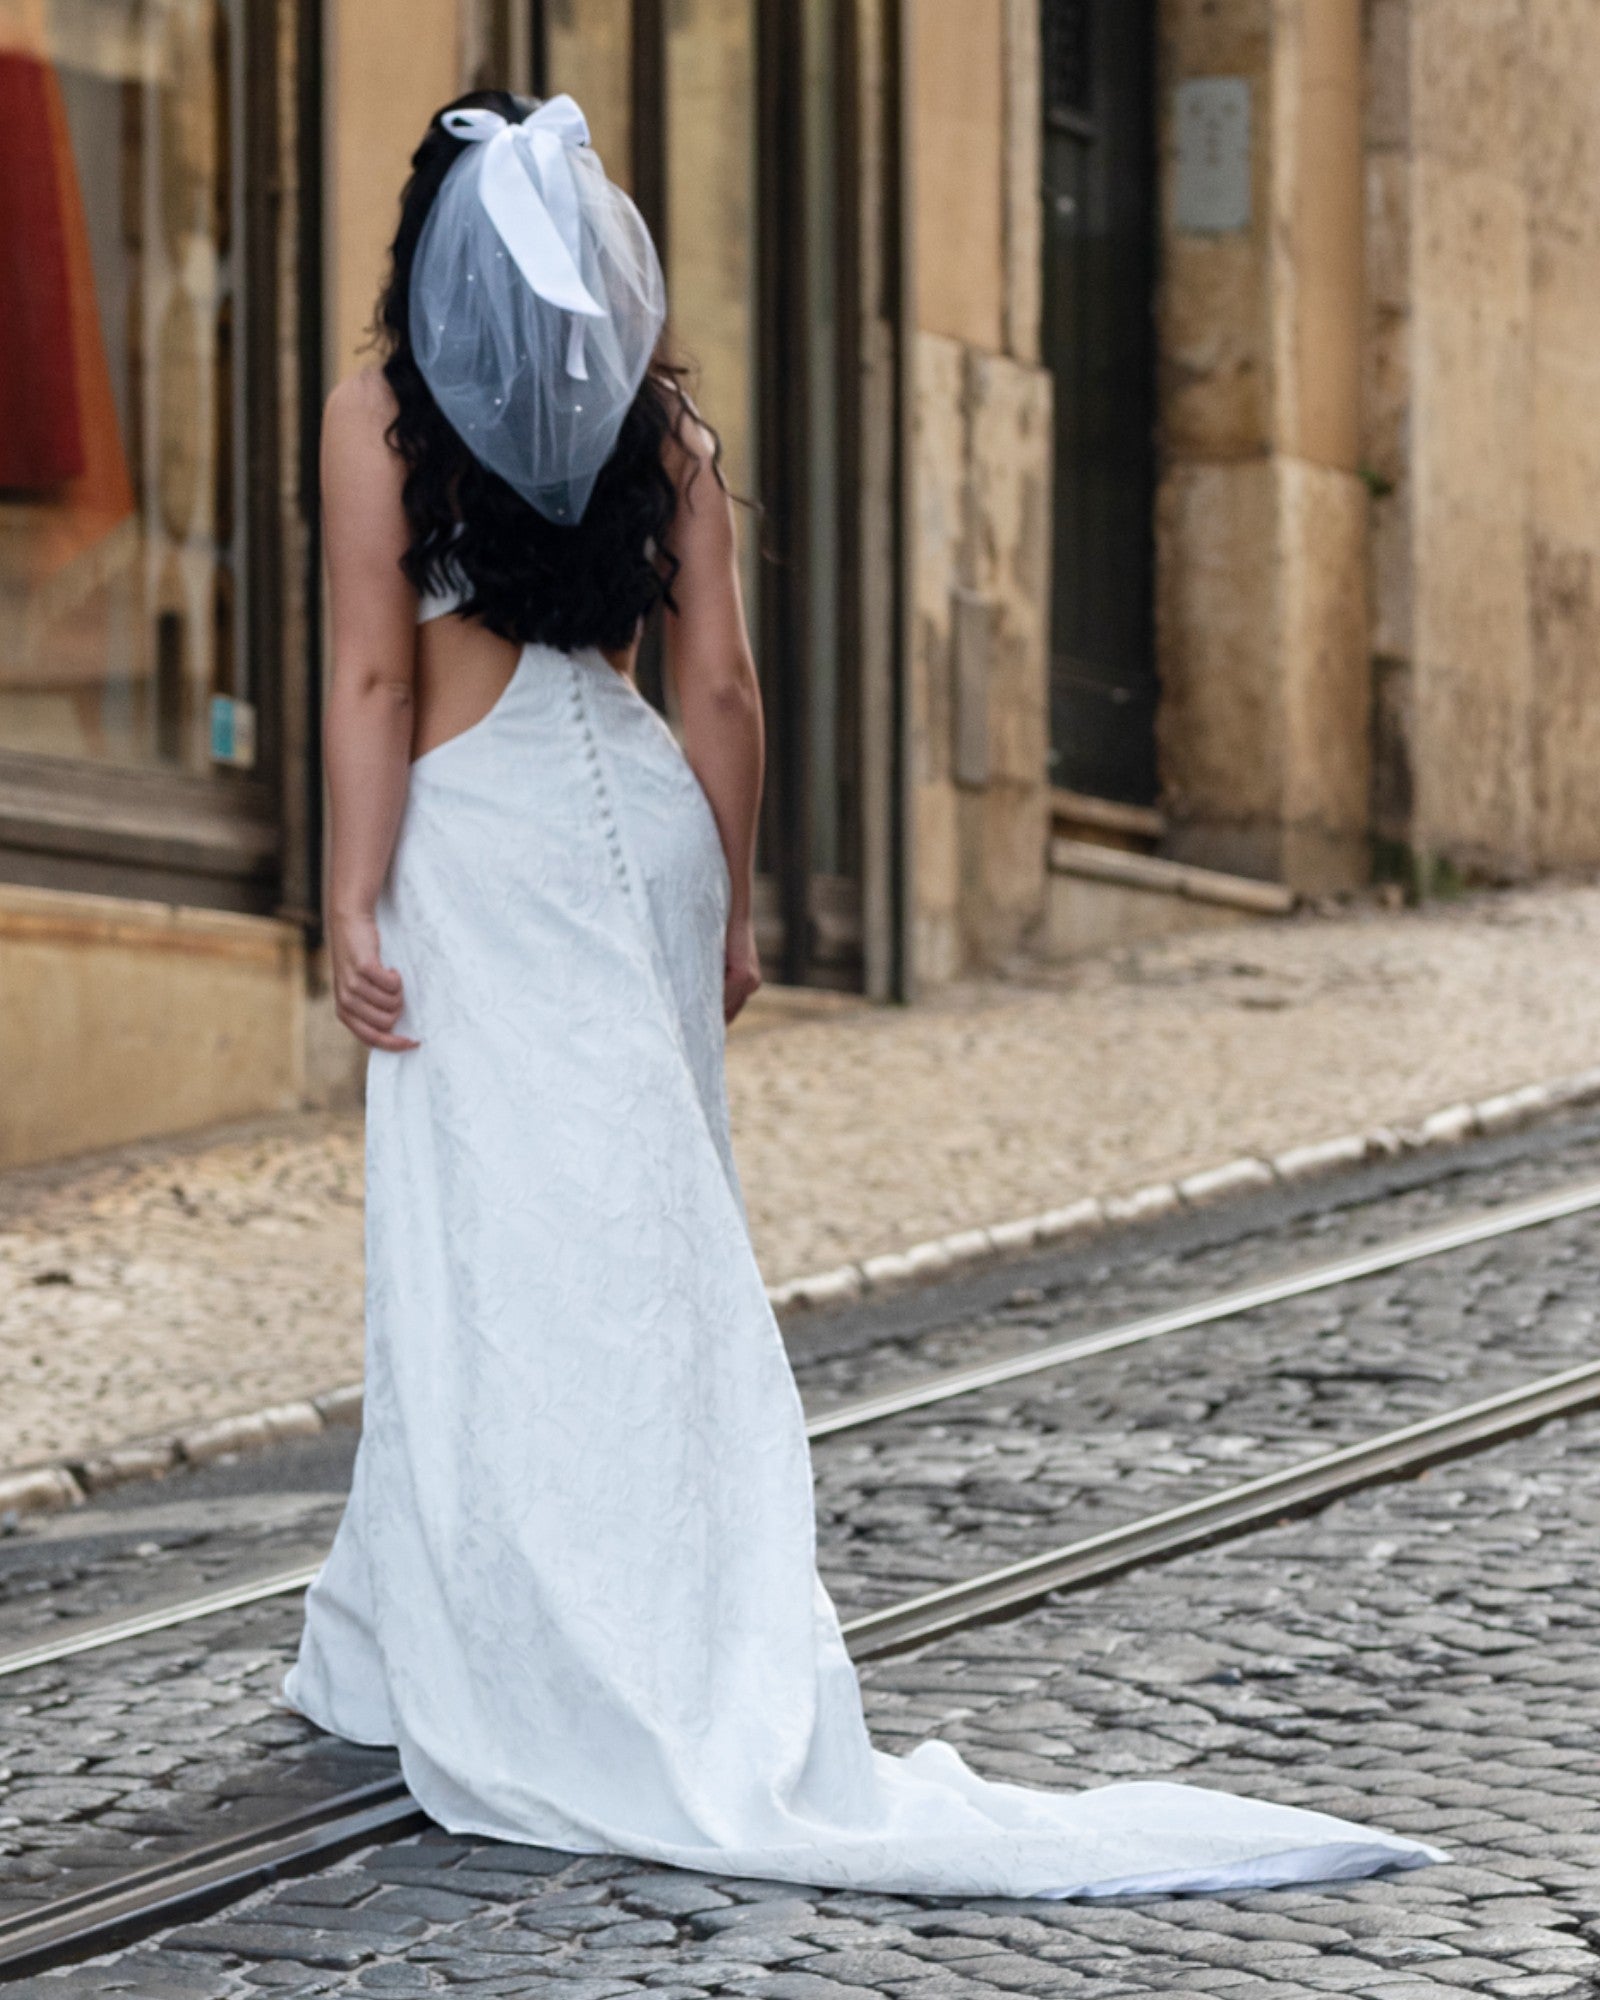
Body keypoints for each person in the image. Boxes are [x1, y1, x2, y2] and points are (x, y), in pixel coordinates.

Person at [284, 88, 1442, 1898]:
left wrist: (350, 896)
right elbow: (722, 686)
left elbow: (371, 687)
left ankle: (535, 1631)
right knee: (649, 1233)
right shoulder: (658, 425)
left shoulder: (380, 419)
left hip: (482, 850)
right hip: (635, 825)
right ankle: (414, 1616)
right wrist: (729, 904)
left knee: (491, 1233)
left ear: (424, 252)